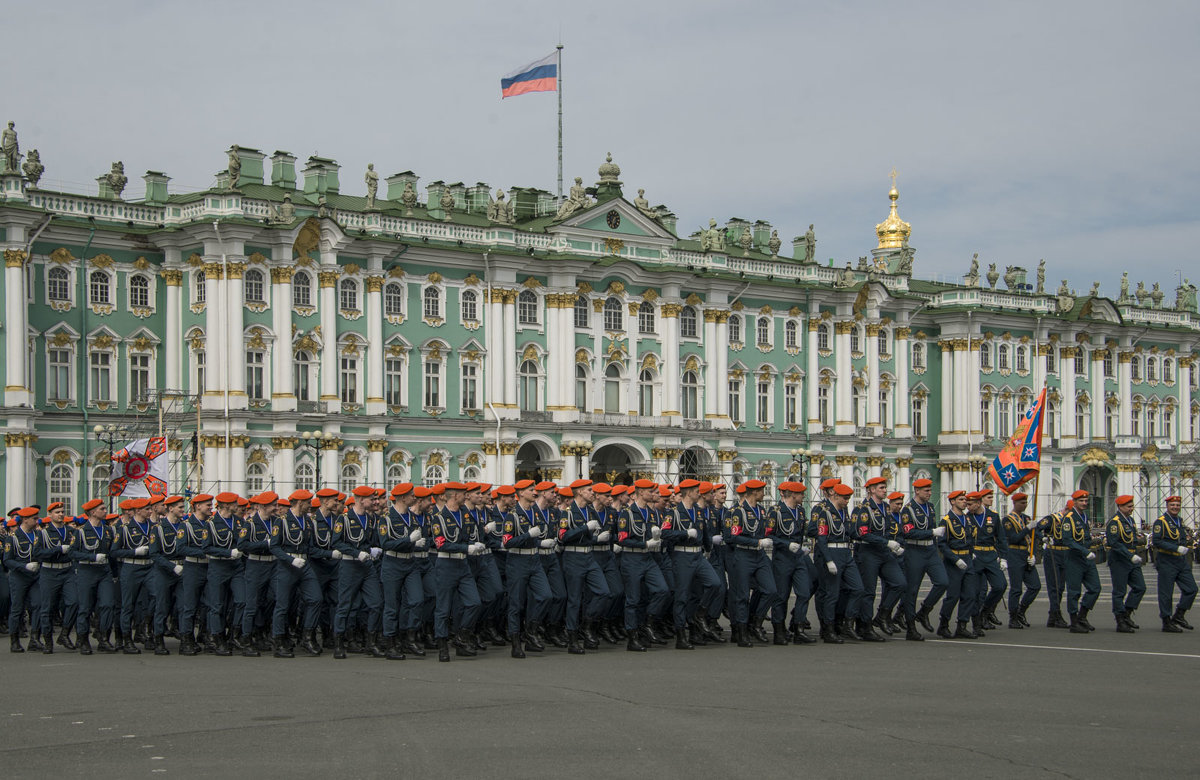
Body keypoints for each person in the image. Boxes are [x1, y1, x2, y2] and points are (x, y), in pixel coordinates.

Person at [663, 479, 722, 649]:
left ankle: (699, 614)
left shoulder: (698, 511)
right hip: (682, 556)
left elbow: (705, 533)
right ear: (688, 492)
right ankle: (682, 635)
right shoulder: (674, 513)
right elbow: (665, 534)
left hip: (699, 556)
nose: (699, 493)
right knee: (682, 597)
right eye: (696, 491)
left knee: (714, 583)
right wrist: (684, 533)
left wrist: (708, 548)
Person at [429, 482, 484, 661]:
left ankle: (462, 636)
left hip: (463, 565)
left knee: (474, 602)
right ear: (454, 495)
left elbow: (471, 534)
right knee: (443, 609)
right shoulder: (438, 517)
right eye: (463, 494)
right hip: (446, 564)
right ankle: (442, 645)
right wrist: (466, 548)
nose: (465, 496)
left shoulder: (465, 515)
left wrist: (475, 544)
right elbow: (441, 543)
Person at [558, 479, 612, 654]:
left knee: (603, 591)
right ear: (579, 492)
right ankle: (573, 639)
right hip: (573, 556)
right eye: (589, 490)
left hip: (589, 555)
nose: (592, 493)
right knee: (574, 600)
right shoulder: (568, 512)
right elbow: (563, 537)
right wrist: (584, 528)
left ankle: (586, 623)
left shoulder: (590, 511)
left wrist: (596, 537)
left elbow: (591, 535)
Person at [617, 479, 671, 651]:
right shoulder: (628, 513)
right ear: (641, 492)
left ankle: (647, 623)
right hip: (632, 559)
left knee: (662, 590)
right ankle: (633, 636)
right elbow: (622, 539)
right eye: (650, 490)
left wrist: (656, 539)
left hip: (648, 559)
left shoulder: (652, 513)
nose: (653, 493)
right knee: (633, 599)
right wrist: (645, 544)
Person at [332, 486, 386, 659]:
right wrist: (356, 553)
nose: (376, 502)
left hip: (367, 566)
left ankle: (371, 642)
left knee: (376, 603)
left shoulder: (371, 519)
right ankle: (339, 643)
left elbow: (368, 540)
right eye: (372, 499)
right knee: (345, 605)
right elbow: (336, 543)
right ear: (361, 500)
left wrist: (373, 550)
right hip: (350, 565)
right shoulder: (344, 519)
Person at [725, 479, 780, 646]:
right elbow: (732, 537)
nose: (764, 494)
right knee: (742, 595)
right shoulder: (737, 512)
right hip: (744, 554)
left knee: (771, 590)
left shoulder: (761, 511)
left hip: (760, 556)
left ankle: (755, 622)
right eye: (762, 491)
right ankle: (742, 632)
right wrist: (756, 542)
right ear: (754, 492)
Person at [504, 480, 553, 657]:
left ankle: (530, 630)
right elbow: (507, 542)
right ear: (521, 493)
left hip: (534, 559)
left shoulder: (535, 512)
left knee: (546, 595)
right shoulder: (513, 515)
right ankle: (516, 643)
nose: (534, 493)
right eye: (531, 490)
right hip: (518, 560)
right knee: (516, 604)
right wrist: (527, 535)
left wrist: (540, 542)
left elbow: (536, 536)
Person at [813, 482, 866, 643]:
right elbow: (821, 538)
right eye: (845, 498)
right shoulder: (825, 513)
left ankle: (848, 623)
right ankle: (828, 629)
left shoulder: (844, 511)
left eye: (849, 498)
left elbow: (850, 532)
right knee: (832, 594)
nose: (847, 501)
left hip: (845, 552)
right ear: (835, 495)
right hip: (832, 551)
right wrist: (828, 560)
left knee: (858, 588)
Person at [851, 477, 902, 642]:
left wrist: (893, 544)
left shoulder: (886, 508)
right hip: (868, 552)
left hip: (884, 552)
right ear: (871, 490)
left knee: (900, 583)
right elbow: (863, 533)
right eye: (881, 488)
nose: (884, 490)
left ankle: (882, 615)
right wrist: (887, 542)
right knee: (869, 591)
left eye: (885, 487)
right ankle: (865, 626)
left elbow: (887, 528)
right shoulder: (863, 509)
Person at [766, 481, 816, 645]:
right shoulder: (776, 512)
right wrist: (786, 544)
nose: (803, 496)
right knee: (781, 596)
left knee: (804, 592)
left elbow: (801, 532)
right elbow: (769, 535)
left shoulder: (800, 512)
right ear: (793, 494)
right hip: (782, 557)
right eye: (801, 493)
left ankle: (798, 627)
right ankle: (779, 631)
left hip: (798, 557)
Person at [70, 499, 116, 654]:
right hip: (87, 571)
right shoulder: (81, 532)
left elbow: (111, 553)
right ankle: (83, 640)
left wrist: (114, 574)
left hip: (104, 572)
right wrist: (92, 557)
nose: (105, 511)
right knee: (85, 607)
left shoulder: (108, 531)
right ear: (93, 512)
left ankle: (103, 638)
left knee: (108, 605)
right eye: (102, 509)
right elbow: (72, 552)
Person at [901, 478, 947, 633]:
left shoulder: (931, 507)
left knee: (942, 582)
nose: (929, 493)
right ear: (917, 491)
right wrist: (931, 533)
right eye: (926, 490)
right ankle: (911, 627)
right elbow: (908, 532)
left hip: (930, 551)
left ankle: (924, 611)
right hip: (915, 551)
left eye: (929, 490)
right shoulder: (908, 509)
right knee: (912, 590)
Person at [112, 497, 156, 654]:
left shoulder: (154, 527)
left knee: (156, 597)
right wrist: (133, 552)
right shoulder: (124, 529)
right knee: (128, 605)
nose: (150, 511)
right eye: (147, 509)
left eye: (150, 509)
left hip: (150, 567)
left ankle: (146, 631)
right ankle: (126, 640)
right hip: (131, 567)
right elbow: (114, 551)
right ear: (138, 511)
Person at [204, 492, 247, 656]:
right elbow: (206, 547)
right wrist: (228, 552)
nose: (237, 505)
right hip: (218, 566)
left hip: (236, 567)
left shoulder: (239, 521)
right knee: (217, 605)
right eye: (234, 503)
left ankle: (234, 633)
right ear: (226, 505)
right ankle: (217, 637)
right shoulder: (212, 524)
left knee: (242, 600)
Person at [964, 489, 1009, 637]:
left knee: (1000, 585)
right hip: (976, 556)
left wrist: (1003, 557)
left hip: (990, 554)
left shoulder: (993, 517)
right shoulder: (966, 518)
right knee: (976, 592)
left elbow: (1001, 538)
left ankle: (986, 610)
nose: (968, 506)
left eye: (970, 504)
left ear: (978, 503)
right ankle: (976, 623)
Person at [148, 496, 188, 655]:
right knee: (162, 606)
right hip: (164, 571)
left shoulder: (185, 527)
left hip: (182, 570)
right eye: (180, 508)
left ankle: (186, 640)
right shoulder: (157, 529)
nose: (183, 511)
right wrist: (172, 567)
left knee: (185, 606)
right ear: (170, 508)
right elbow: (154, 554)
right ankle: (158, 640)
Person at [1151, 495, 1197, 632]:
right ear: (1167, 506)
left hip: (1181, 561)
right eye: (1173, 505)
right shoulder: (1161, 522)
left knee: (1192, 589)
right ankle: (1166, 621)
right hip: (1167, 560)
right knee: (1166, 593)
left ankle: (1179, 615)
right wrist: (1175, 548)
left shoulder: (1179, 521)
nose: (1175, 507)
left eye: (1177, 505)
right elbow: (1157, 541)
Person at [36, 502, 78, 652]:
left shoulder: (71, 531)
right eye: (57, 512)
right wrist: (57, 549)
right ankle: (48, 641)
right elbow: (37, 553)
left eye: (62, 512)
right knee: (47, 608)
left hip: (67, 571)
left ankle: (64, 634)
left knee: (74, 602)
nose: (60, 514)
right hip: (49, 572)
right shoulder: (43, 534)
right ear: (50, 515)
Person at [1061, 490, 1101, 634]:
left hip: (1087, 558)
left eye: (1085, 501)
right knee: (1074, 591)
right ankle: (1074, 622)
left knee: (1095, 588)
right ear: (1075, 502)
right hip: (1074, 558)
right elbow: (1067, 540)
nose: (1084, 503)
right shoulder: (1069, 518)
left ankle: (1082, 616)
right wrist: (1085, 551)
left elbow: (1086, 537)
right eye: (1081, 501)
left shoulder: (1084, 517)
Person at [177, 494, 213, 655]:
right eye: (208, 505)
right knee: (190, 606)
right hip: (193, 566)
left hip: (210, 567)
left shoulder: (210, 524)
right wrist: (202, 553)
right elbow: (181, 548)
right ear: (197, 506)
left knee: (209, 604)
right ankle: (186, 639)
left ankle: (205, 635)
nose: (211, 507)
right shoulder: (186, 525)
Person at [1105, 494, 1146, 633]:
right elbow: (1114, 543)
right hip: (1120, 560)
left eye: (1132, 506)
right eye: (1128, 507)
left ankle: (1127, 613)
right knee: (1119, 592)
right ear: (1120, 507)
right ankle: (1120, 620)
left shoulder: (1130, 520)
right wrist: (1130, 555)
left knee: (1140, 587)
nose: (1131, 509)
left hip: (1131, 558)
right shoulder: (1114, 522)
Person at [937, 490, 975, 639]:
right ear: (952, 502)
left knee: (969, 594)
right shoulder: (946, 521)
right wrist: (955, 559)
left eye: (965, 499)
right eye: (960, 499)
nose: (964, 502)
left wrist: (971, 554)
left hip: (968, 559)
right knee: (953, 596)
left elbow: (970, 539)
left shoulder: (967, 519)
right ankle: (943, 624)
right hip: (954, 561)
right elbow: (942, 544)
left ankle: (962, 625)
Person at [5, 507, 43, 652]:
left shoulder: (38, 535)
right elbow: (7, 560)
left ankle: (35, 639)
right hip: (19, 577)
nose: (37, 520)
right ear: (25, 520)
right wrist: (24, 566)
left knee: (38, 605)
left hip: (35, 576)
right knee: (17, 609)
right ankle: (14, 640)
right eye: (34, 518)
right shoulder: (13, 538)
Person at [1001, 492, 1040, 629]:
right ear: (1015, 503)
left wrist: (1033, 554)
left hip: (1026, 554)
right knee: (1016, 589)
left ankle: (1021, 611)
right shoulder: (1007, 520)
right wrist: (1026, 529)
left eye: (1025, 502)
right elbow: (1013, 538)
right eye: (1022, 503)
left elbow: (1035, 538)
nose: (1024, 505)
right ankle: (1013, 618)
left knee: (1035, 586)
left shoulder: (1027, 518)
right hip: (1014, 553)